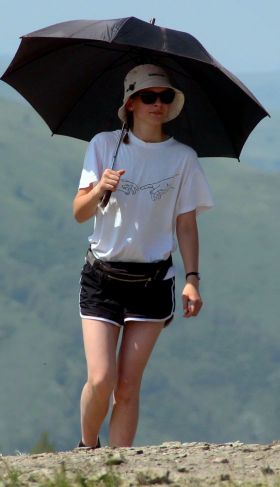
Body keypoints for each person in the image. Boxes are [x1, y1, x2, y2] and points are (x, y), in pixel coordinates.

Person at [72, 64, 213, 448]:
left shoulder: (183, 158)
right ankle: (87, 448)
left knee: (128, 386)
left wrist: (192, 279)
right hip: (102, 277)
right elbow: (79, 212)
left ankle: (119, 465)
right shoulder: (104, 146)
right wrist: (99, 187)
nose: (158, 103)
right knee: (101, 378)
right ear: (131, 103)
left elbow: (186, 225)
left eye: (165, 96)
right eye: (148, 96)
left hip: (152, 282)